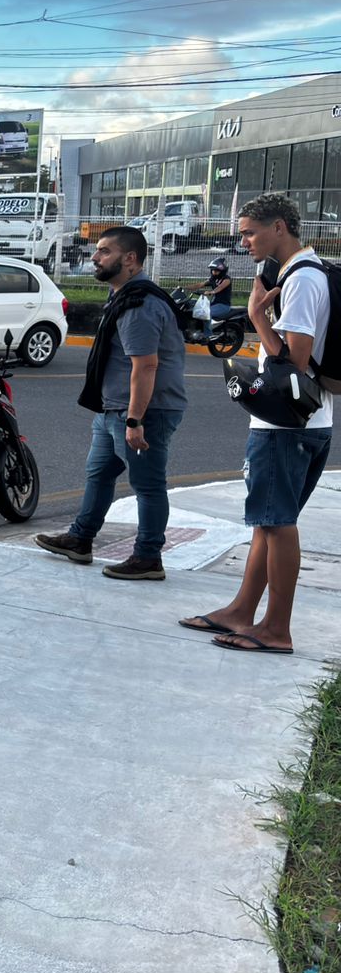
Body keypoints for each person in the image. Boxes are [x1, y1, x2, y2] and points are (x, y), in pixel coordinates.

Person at [180, 194, 330, 655]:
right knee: (268, 523)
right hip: (304, 422)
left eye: (249, 231)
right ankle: (244, 610)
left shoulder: (302, 281)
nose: (242, 241)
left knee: (277, 523)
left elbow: (295, 361)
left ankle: (276, 629)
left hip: (287, 426)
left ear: (279, 227)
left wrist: (255, 318)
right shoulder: (303, 272)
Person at [34, 225, 187, 580]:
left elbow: (146, 365)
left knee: (148, 486)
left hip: (141, 411)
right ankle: (80, 539)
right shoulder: (124, 295)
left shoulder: (140, 304)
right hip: (113, 408)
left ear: (130, 259)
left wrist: (135, 420)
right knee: (99, 474)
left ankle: (148, 558)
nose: (95, 257)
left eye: (104, 251)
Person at [195, 256, 234, 321]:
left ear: (222, 271)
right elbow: (201, 284)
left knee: (205, 314)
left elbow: (219, 288)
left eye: (216, 270)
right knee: (196, 309)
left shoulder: (227, 280)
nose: (214, 272)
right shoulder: (213, 279)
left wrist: (210, 292)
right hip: (214, 303)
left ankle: (208, 331)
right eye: (213, 270)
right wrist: (186, 287)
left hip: (223, 306)